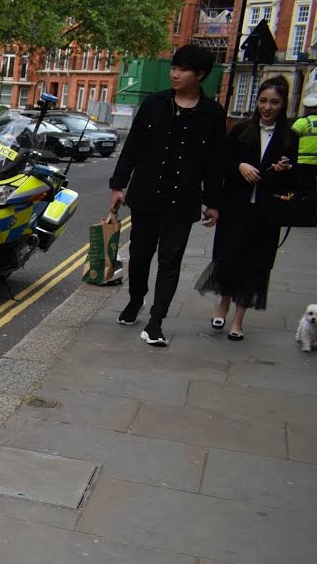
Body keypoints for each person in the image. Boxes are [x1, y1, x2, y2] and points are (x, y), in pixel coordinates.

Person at [109, 44, 226, 347]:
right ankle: (136, 300)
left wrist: (213, 202)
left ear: (200, 74)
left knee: (170, 261)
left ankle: (156, 322)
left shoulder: (212, 114)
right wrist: (118, 186)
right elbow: (132, 147)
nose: (175, 73)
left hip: (183, 201)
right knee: (139, 255)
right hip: (146, 195)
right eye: (174, 67)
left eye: (183, 69)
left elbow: (216, 163)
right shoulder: (154, 104)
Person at [194, 75, 298, 341]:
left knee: (256, 265)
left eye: (274, 102)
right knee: (228, 259)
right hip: (235, 208)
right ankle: (223, 304)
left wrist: (282, 170)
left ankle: (238, 320)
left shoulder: (289, 136)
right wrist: (239, 166)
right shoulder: (241, 131)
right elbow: (222, 166)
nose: (267, 107)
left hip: (265, 213)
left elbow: (292, 179)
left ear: (283, 103)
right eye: (263, 101)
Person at [290, 92, 317, 188]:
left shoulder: (302, 122)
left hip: (302, 163)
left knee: (299, 190)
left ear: (308, 109)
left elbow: (289, 141)